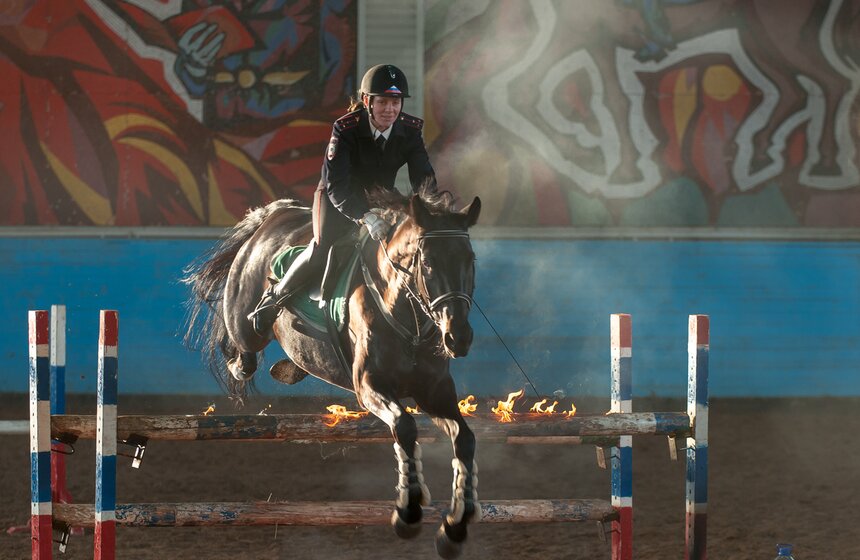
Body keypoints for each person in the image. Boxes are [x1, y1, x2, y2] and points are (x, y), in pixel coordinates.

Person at [247, 64, 437, 336]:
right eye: (382, 102)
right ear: (367, 102)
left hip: (382, 201)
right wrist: (365, 216)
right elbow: (338, 186)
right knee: (323, 247)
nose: (389, 110)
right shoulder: (346, 128)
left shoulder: (410, 129)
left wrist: (430, 211)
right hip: (337, 198)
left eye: (395, 102)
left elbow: (424, 179)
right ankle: (275, 298)